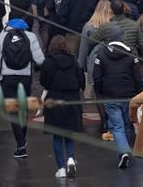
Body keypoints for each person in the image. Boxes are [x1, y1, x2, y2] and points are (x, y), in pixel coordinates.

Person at [0, 18, 45, 158]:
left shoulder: (1, 37)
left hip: (7, 78)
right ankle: (22, 141)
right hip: (25, 78)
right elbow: (39, 59)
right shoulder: (31, 36)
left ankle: (21, 145)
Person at [93, 27, 143, 169]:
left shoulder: (101, 55)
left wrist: (102, 90)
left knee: (117, 127)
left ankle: (123, 152)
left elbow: (96, 77)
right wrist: (141, 94)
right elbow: (137, 78)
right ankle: (125, 151)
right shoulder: (131, 55)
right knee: (127, 124)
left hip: (111, 96)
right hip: (129, 96)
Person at [40, 35, 84, 178]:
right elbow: (81, 81)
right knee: (69, 133)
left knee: (57, 136)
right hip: (72, 100)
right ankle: (71, 158)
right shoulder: (73, 61)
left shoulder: (48, 63)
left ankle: (61, 168)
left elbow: (44, 82)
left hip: (54, 100)